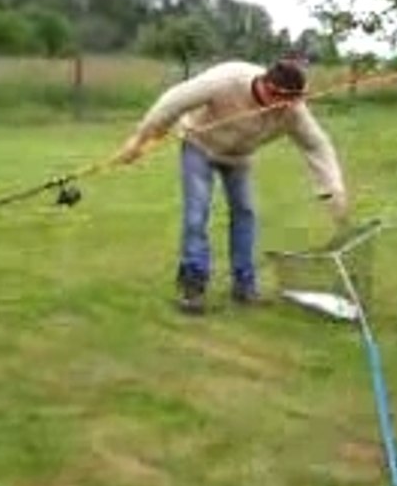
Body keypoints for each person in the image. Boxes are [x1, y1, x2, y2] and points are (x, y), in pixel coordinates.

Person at [116, 54, 349, 315]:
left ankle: (244, 287)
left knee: (245, 213)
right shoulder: (226, 80)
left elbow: (316, 145)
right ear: (268, 88)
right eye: (285, 101)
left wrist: (333, 186)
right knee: (197, 213)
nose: (290, 108)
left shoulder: (292, 109)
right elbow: (172, 103)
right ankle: (193, 288)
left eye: (294, 101)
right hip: (199, 146)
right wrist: (140, 139)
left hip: (239, 157)